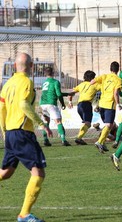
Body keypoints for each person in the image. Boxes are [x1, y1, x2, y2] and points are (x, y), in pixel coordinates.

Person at [0, 53, 53, 222]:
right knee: (38, 173)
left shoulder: (7, 84)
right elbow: (23, 104)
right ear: (31, 67)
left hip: (10, 133)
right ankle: (24, 215)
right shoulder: (27, 82)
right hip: (23, 133)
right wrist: (40, 124)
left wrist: (4, 131)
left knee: (6, 173)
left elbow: (1, 108)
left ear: (14, 66)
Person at [91, 61, 122, 153]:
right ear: (118, 69)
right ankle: (99, 142)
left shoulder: (104, 76)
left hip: (101, 104)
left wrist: (102, 86)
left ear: (110, 69)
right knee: (109, 125)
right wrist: (118, 103)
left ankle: (103, 143)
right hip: (109, 104)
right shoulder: (118, 80)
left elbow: (92, 81)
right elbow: (116, 93)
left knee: (107, 125)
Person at [39, 67, 71, 146]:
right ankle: (63, 140)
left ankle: (46, 140)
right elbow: (58, 94)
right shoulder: (55, 82)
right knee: (58, 122)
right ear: (53, 73)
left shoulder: (44, 83)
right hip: (51, 104)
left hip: (42, 104)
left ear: (45, 74)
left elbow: (51, 92)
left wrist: (67, 94)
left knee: (46, 122)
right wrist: (63, 104)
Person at [68, 70, 101, 145]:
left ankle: (80, 138)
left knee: (84, 122)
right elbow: (103, 89)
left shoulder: (81, 84)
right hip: (87, 105)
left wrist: (70, 102)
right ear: (92, 78)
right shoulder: (95, 84)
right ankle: (78, 138)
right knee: (88, 123)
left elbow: (71, 93)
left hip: (79, 105)